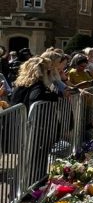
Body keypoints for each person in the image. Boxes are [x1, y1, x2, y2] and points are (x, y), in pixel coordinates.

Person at [11, 55, 64, 185]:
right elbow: (36, 98)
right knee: (35, 155)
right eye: (47, 70)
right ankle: (33, 183)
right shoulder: (38, 84)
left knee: (28, 156)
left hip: (23, 124)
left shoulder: (21, 83)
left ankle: (28, 183)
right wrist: (53, 96)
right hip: (35, 125)